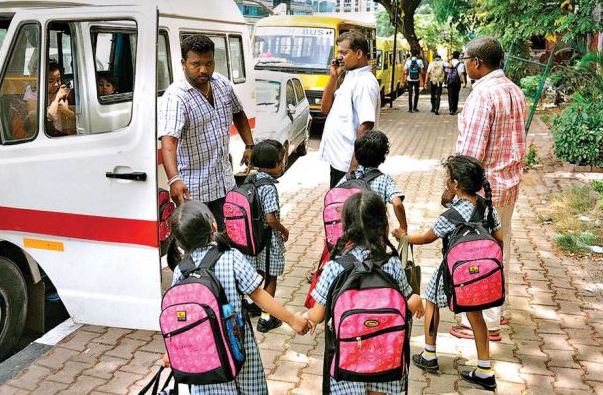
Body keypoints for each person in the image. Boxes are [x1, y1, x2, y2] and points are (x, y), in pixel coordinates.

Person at [163, 201, 311, 394]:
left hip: (203, 354)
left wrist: (170, 350)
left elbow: (177, 318)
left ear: (179, 241)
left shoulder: (181, 271)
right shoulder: (231, 257)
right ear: (213, 226)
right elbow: (258, 295)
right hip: (238, 344)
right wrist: (293, 320)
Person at [393, 155, 502, 391]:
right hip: (480, 273)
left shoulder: (451, 215)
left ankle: (430, 355)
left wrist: (403, 237)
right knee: (476, 315)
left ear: (455, 184)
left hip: (454, 270)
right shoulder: (488, 207)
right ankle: (484, 369)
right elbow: (499, 239)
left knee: (430, 299)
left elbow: (426, 238)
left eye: (447, 179)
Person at [304, 191, 424, 395]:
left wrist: (305, 318)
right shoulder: (392, 263)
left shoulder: (334, 267)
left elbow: (317, 314)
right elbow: (409, 300)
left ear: (346, 228)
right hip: (387, 359)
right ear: (382, 225)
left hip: (347, 360)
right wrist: (418, 302)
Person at [449, 35, 527, 342]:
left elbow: (470, 155)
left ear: (477, 63)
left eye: (466, 59)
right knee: (499, 247)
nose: (464, 65)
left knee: (475, 253)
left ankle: (482, 322)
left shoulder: (482, 96)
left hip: (483, 193)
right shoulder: (514, 90)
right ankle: (496, 308)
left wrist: (454, 190)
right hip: (508, 187)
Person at [158, 35, 255, 228]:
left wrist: (249, 145)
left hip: (225, 182)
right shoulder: (176, 97)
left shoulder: (221, 83)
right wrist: (174, 180)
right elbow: (168, 142)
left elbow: (239, 113)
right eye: (196, 64)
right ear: (183, 63)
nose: (204, 70)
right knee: (202, 247)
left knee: (233, 237)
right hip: (195, 191)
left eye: (209, 63)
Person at [319, 30, 379, 188]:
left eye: (343, 53)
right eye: (338, 52)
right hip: (338, 161)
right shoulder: (349, 77)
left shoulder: (365, 82)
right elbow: (324, 109)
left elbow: (366, 125)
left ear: (359, 53)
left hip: (348, 164)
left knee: (344, 211)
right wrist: (333, 76)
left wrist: (354, 166)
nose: (339, 57)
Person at [244, 140, 290, 333]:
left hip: (253, 238)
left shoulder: (251, 179)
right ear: (271, 164)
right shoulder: (268, 187)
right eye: (280, 161)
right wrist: (283, 230)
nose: (282, 164)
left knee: (259, 273)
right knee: (271, 278)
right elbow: (271, 218)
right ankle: (266, 318)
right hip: (268, 240)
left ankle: (253, 304)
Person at [335, 131, 407, 234]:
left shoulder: (348, 178)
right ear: (383, 156)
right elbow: (397, 204)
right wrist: (403, 228)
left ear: (356, 155)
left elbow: (335, 201)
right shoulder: (385, 180)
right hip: (375, 239)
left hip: (350, 238)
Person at [45, 59, 76, 136]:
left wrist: (66, 110)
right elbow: (49, 117)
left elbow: (74, 118)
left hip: (62, 133)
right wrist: (57, 98)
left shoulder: (64, 94)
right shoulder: (37, 95)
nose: (55, 84)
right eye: (50, 81)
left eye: (58, 80)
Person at [403, 49, 425, 113]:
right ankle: (415, 108)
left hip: (409, 79)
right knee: (416, 93)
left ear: (411, 54)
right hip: (417, 79)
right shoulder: (420, 61)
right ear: (417, 54)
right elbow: (422, 71)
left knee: (410, 94)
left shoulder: (408, 61)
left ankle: (410, 109)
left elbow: (404, 70)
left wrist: (406, 75)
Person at [446, 51, 467, 115]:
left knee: (450, 95)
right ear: (458, 56)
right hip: (457, 81)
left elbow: (446, 72)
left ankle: (451, 109)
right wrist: (464, 82)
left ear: (453, 56)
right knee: (456, 94)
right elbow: (461, 74)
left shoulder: (449, 63)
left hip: (449, 81)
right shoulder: (461, 64)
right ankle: (454, 108)